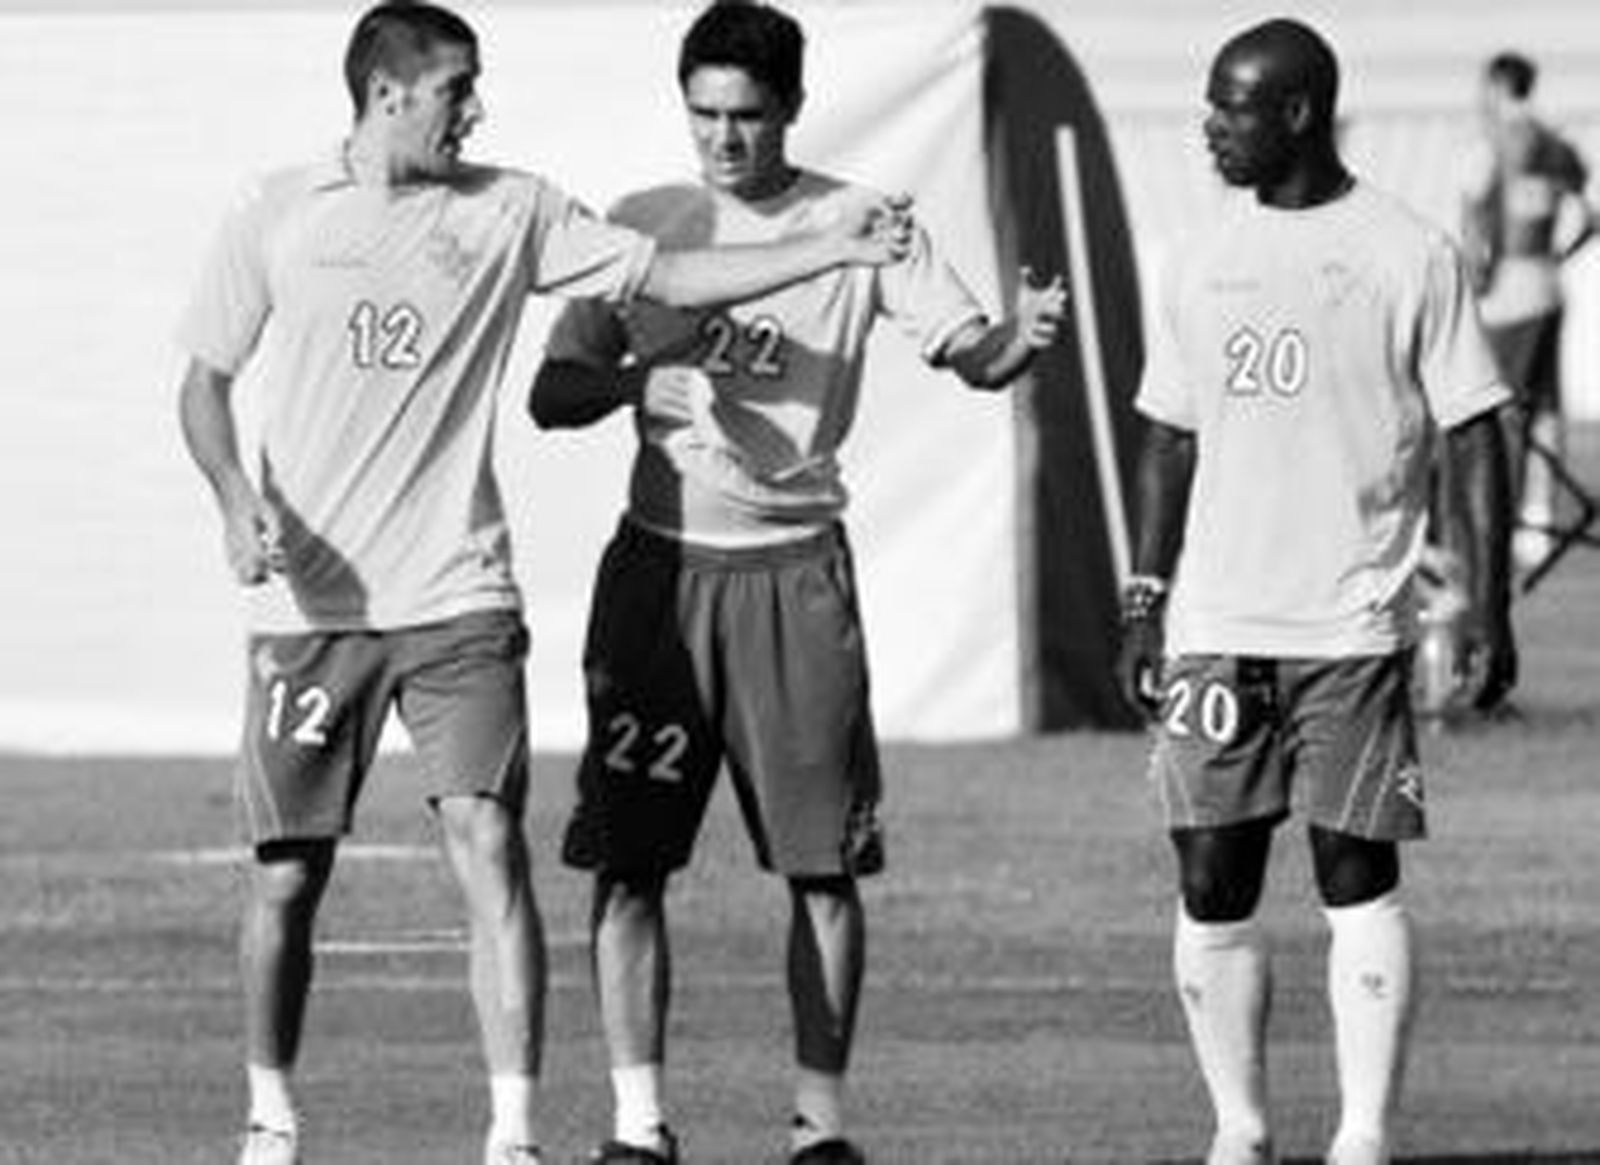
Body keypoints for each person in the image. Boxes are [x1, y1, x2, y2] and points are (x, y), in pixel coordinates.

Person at [174, 3, 915, 1163]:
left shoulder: (511, 207)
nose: (476, 107)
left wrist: (829, 246)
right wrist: (231, 494)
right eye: (456, 87)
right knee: (285, 876)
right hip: (308, 607)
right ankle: (268, 1113)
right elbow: (205, 385)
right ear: (387, 93)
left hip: (460, 593)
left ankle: (513, 1133)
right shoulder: (272, 210)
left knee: (490, 839)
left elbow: (668, 270)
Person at [527, 4, 1066, 1162]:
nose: (722, 139)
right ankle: (637, 1128)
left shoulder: (861, 223)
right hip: (660, 576)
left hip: (793, 577)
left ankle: (819, 1131)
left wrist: (1019, 338)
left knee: (821, 869)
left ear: (791, 111)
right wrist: (635, 379)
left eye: (746, 116)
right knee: (629, 865)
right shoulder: (640, 227)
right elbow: (552, 394)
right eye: (703, 113)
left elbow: (971, 355)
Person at [1115, 19, 1517, 1165]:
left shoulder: (1406, 251)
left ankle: (1362, 1135)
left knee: (1355, 869)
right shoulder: (1197, 255)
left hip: (1349, 626)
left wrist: (1482, 605)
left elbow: (1477, 433)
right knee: (1212, 873)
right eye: (1208, 104)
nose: (1210, 127)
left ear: (1295, 112)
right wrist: (1145, 598)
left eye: (1230, 108)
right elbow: (1165, 438)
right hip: (1212, 628)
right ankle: (1239, 1132)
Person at [1458, 50, 1593, 570]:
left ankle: (1504, 514)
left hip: (1508, 293)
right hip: (1548, 283)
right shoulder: (1557, 146)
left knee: (1504, 409)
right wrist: (1562, 253)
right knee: (1547, 405)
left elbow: (1475, 218)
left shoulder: (1493, 144)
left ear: (1497, 85)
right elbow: (1588, 213)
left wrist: (1476, 274)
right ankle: (1537, 516)